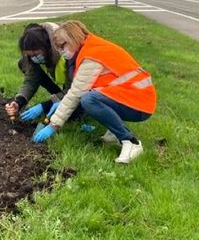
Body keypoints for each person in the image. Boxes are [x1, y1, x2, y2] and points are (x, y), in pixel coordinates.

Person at [31, 20, 156, 164]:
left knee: (89, 100)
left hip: (140, 104)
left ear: (73, 38)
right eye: (57, 48)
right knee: (90, 97)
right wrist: (61, 105)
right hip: (137, 97)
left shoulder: (91, 56)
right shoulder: (91, 46)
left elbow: (76, 93)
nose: (60, 51)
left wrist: (53, 125)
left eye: (62, 46)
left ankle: (130, 141)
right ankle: (114, 133)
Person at [4, 22, 73, 122]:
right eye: (30, 55)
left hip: (85, 88)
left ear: (47, 48)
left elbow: (74, 90)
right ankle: (58, 94)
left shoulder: (66, 52)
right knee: (23, 63)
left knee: (74, 111)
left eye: (37, 54)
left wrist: (45, 105)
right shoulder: (34, 51)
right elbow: (31, 80)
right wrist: (19, 102)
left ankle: (60, 97)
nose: (34, 58)